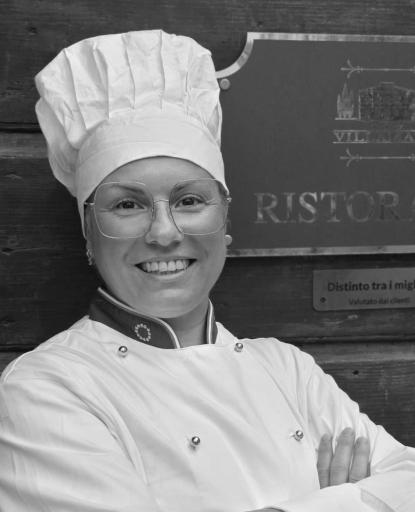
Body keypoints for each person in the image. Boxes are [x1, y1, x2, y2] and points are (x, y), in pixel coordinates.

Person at [0, 29, 414, 512]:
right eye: (128, 204)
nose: (163, 232)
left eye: (190, 200)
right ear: (89, 234)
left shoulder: (286, 367)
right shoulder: (47, 388)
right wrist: (352, 500)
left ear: (225, 222)